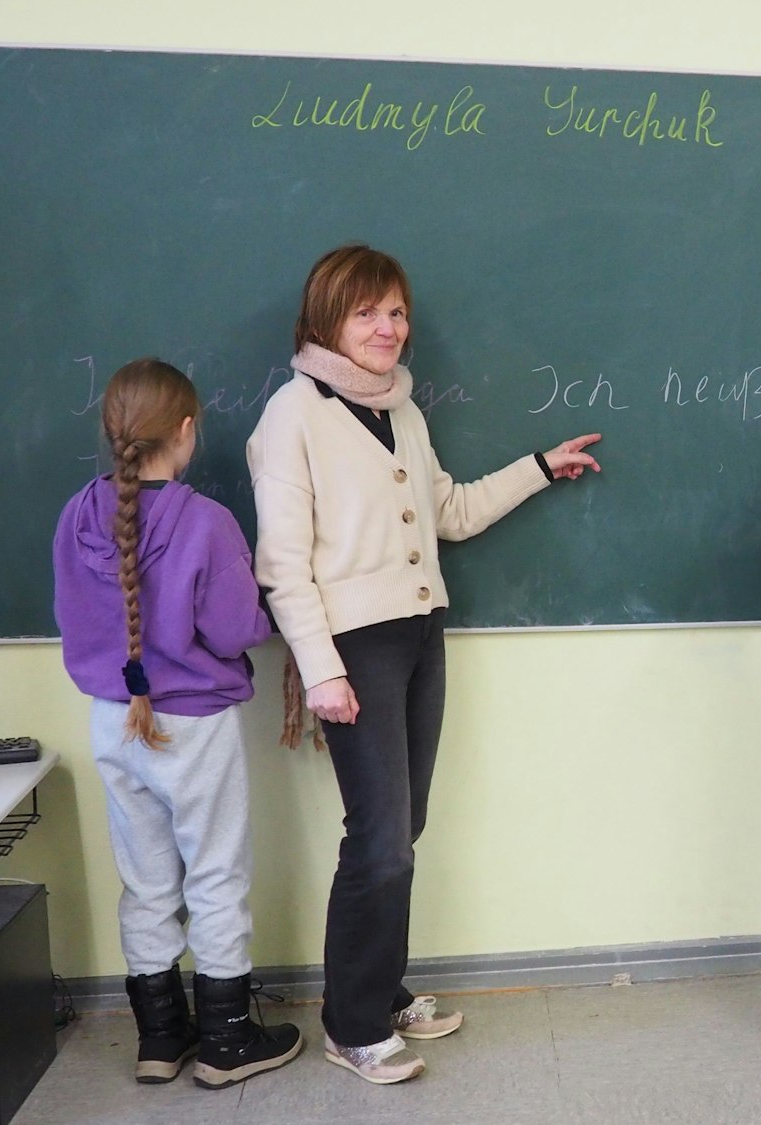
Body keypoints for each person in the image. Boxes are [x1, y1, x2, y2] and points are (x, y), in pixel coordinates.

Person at [248, 245, 602, 1083]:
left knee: (400, 829)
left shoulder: (400, 410)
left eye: (398, 312)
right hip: (353, 646)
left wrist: (540, 468)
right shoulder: (292, 415)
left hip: (418, 631)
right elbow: (281, 564)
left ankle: (381, 985)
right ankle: (352, 1021)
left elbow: (447, 512)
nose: (388, 328)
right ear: (326, 317)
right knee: (380, 839)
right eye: (369, 311)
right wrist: (321, 667)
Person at [54, 358, 302, 1089]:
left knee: (146, 880)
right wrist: (264, 612)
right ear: (186, 431)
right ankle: (227, 1040)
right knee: (217, 872)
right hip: (193, 725)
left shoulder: (76, 514)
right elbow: (231, 629)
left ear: (113, 434)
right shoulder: (206, 521)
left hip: (113, 720)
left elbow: (71, 615)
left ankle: (161, 1038)